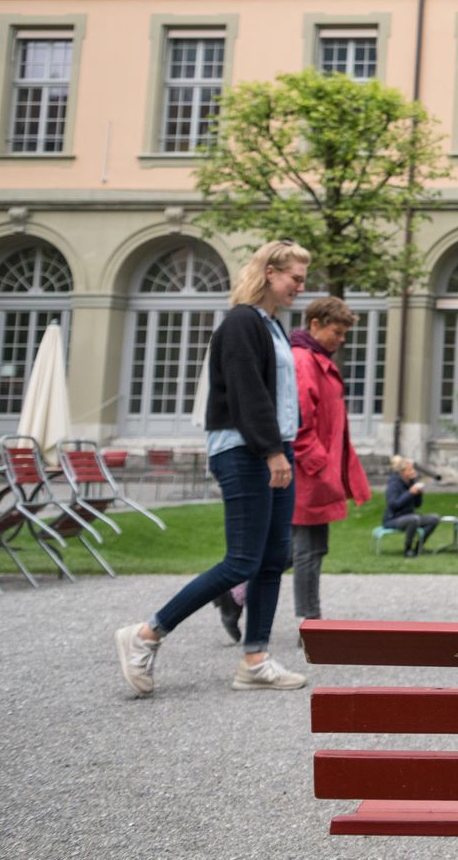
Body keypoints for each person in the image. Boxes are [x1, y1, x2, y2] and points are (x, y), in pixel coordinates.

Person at [114, 239, 313, 697]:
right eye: (294, 278)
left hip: (273, 447)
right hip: (245, 451)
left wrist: (281, 445)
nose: (300, 287)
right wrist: (271, 450)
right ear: (269, 273)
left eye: (303, 279)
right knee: (242, 559)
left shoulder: (271, 326)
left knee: (270, 560)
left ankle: (255, 660)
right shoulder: (243, 322)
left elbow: (277, 396)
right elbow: (248, 393)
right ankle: (145, 635)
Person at [288, 296, 371, 618]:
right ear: (315, 325)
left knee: (299, 548)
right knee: (308, 548)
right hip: (310, 471)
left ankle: (233, 592)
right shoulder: (304, 361)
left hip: (318, 469)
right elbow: (298, 420)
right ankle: (311, 621)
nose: (341, 340)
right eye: (336, 332)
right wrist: (319, 463)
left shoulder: (315, 359)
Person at [383, 456, 440, 558]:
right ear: (403, 472)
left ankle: (418, 547)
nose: (414, 472)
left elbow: (418, 505)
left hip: (410, 516)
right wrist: (410, 493)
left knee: (434, 518)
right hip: (393, 519)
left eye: (413, 469)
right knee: (413, 519)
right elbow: (393, 504)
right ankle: (408, 549)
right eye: (411, 470)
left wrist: (419, 494)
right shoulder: (394, 484)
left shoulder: (412, 482)